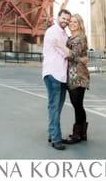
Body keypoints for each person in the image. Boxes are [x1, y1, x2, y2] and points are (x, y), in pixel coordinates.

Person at [42, 9, 71, 150]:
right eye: (63, 18)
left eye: (67, 19)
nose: (65, 21)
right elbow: (66, 53)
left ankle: (52, 133)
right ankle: (55, 138)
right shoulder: (53, 31)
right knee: (54, 106)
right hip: (53, 72)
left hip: (61, 74)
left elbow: (66, 52)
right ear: (58, 17)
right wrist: (69, 52)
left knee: (57, 106)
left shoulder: (64, 34)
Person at [62, 13, 91, 144]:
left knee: (77, 104)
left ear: (80, 24)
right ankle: (82, 133)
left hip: (78, 75)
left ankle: (77, 134)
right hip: (72, 73)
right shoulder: (71, 37)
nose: (72, 23)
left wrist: (61, 47)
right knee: (77, 105)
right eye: (71, 21)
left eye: (75, 22)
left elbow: (74, 55)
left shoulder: (80, 37)